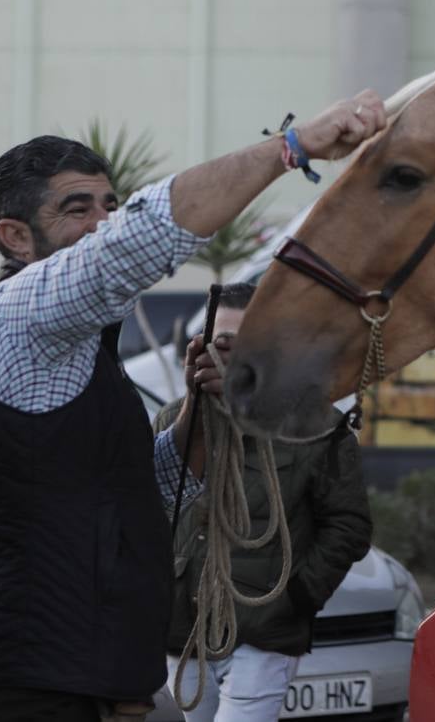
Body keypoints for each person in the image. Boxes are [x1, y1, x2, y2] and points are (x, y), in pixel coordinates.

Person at [0, 90, 388, 722]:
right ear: (15, 236)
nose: (103, 223)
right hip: (24, 692)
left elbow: (145, 489)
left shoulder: (85, 355)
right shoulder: (17, 316)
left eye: (110, 205)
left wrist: (201, 410)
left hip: (99, 686)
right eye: (76, 209)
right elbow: (134, 243)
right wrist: (294, 146)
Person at [158, 282, 372, 722]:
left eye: (243, 343)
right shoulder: (176, 418)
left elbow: (348, 526)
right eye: (219, 342)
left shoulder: (317, 426)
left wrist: (296, 597)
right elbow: (149, 511)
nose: (228, 355)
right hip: (183, 629)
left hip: (263, 631)